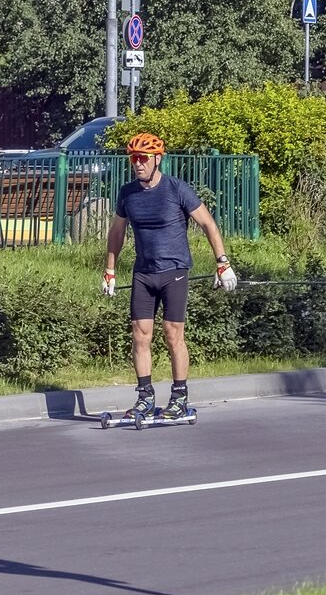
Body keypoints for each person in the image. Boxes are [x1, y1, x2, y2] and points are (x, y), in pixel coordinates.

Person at [101, 133, 238, 420]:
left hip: (174, 272)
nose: (137, 164)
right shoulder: (128, 194)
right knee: (140, 335)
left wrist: (222, 263)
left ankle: (179, 396)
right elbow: (116, 233)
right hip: (143, 273)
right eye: (133, 159)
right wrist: (110, 270)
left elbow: (208, 224)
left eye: (143, 158)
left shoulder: (177, 189)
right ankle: (145, 397)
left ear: (157, 159)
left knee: (173, 334)